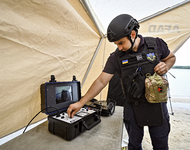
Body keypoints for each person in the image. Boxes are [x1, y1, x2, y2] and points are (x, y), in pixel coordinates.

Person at [67, 14, 176, 150]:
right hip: (133, 107)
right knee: (134, 145)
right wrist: (80, 103)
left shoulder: (156, 44)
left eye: (121, 43)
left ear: (133, 34)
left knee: (161, 145)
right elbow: (101, 81)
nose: (119, 47)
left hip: (157, 106)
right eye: (116, 44)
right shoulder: (116, 58)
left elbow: (171, 57)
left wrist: (166, 65)